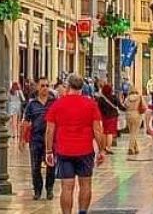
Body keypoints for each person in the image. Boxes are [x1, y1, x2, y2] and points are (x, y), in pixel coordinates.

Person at [45, 75, 107, 214]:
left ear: (68, 86)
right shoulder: (90, 104)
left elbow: (50, 130)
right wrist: (101, 150)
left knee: (67, 187)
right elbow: (98, 129)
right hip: (85, 150)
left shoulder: (58, 104)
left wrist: (49, 151)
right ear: (82, 87)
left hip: (64, 150)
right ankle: (82, 212)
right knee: (85, 184)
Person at [23, 79, 57, 200]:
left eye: (47, 86)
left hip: (52, 140)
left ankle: (49, 189)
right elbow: (26, 122)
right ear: (38, 87)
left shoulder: (54, 103)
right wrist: (23, 140)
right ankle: (37, 190)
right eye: (42, 86)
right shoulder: (32, 104)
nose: (45, 88)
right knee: (35, 166)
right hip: (36, 139)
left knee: (51, 165)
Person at [97, 82, 123, 147]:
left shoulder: (100, 99)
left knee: (104, 132)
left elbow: (98, 108)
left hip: (103, 117)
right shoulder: (114, 97)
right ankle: (108, 147)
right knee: (110, 133)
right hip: (112, 117)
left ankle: (104, 146)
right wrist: (127, 109)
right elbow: (120, 106)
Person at [125, 86, 146, 155]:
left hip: (128, 114)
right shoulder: (139, 97)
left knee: (132, 132)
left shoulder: (127, 98)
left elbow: (125, 105)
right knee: (135, 132)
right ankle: (130, 148)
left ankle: (136, 148)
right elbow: (144, 106)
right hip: (137, 114)